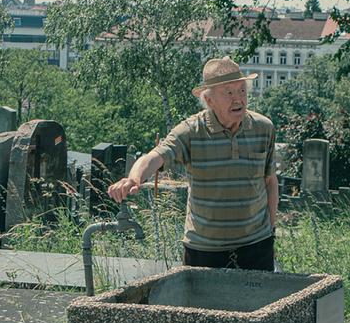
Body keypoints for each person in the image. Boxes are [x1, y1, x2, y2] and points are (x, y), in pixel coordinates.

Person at [108, 57, 278, 270]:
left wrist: (270, 231)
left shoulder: (264, 128)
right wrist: (133, 178)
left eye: (242, 91)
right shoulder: (191, 131)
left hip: (256, 247)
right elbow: (156, 156)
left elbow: (270, 181)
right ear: (209, 100)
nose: (238, 100)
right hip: (204, 250)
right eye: (229, 93)